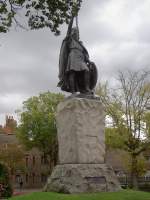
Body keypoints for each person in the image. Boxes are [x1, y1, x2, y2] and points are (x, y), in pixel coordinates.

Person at [58, 17, 97, 95]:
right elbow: (69, 29)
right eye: (75, 32)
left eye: (77, 33)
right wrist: (72, 17)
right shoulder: (70, 40)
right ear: (73, 33)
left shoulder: (80, 43)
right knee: (73, 73)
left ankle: (86, 88)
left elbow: (84, 53)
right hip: (73, 57)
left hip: (81, 59)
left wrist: (88, 61)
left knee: (86, 70)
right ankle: (73, 91)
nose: (77, 34)